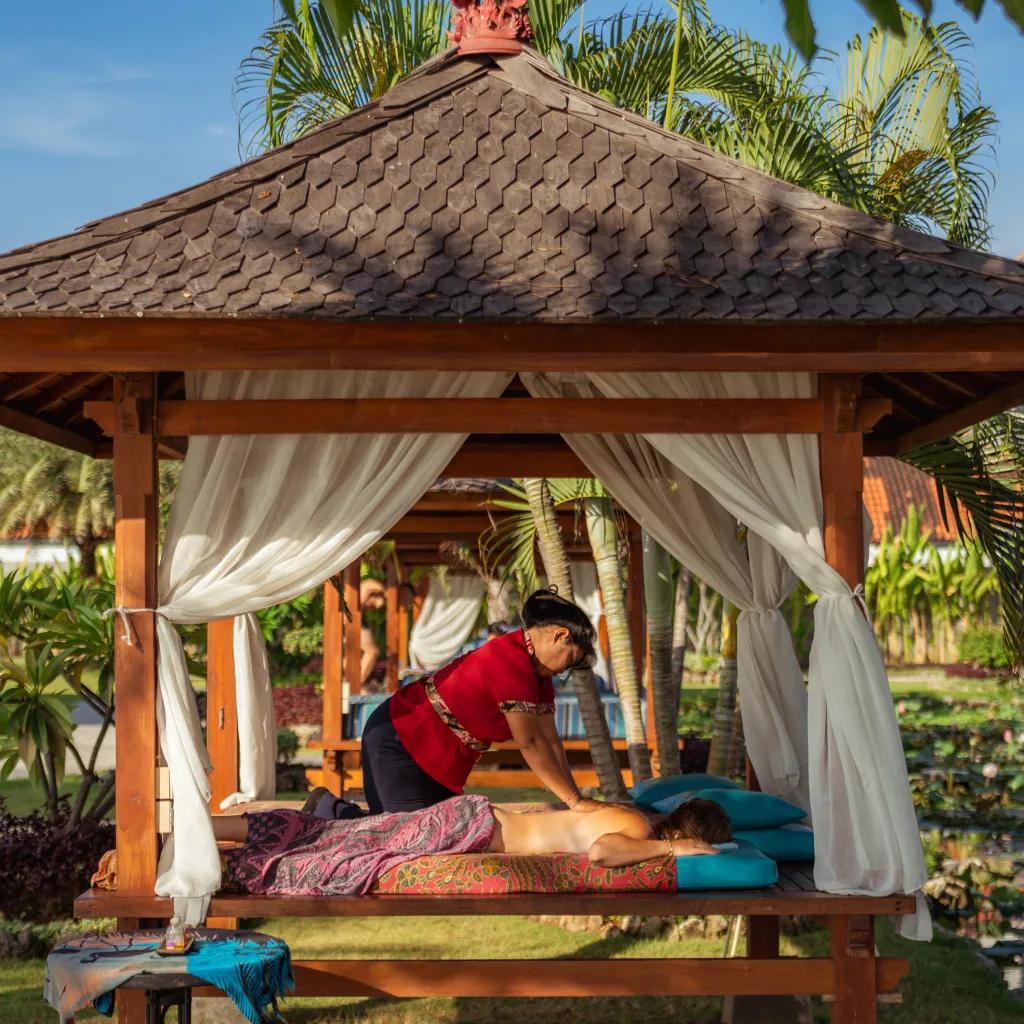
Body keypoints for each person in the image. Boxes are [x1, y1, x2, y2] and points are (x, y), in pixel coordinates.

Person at [313, 588, 605, 816]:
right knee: (408, 838)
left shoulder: (538, 673)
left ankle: (331, 810)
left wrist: (574, 798)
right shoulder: (510, 659)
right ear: (560, 636)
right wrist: (574, 800)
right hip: (400, 738)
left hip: (440, 755)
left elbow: (551, 741)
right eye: (571, 659)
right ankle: (329, 810)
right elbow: (529, 742)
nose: (563, 670)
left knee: (442, 836)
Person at [213, 796, 733, 890]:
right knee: (338, 844)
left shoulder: (633, 816)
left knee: (340, 835)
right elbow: (601, 854)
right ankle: (213, 846)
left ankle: (208, 834)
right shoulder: (640, 833)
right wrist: (672, 851)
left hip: (475, 819)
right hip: (471, 827)